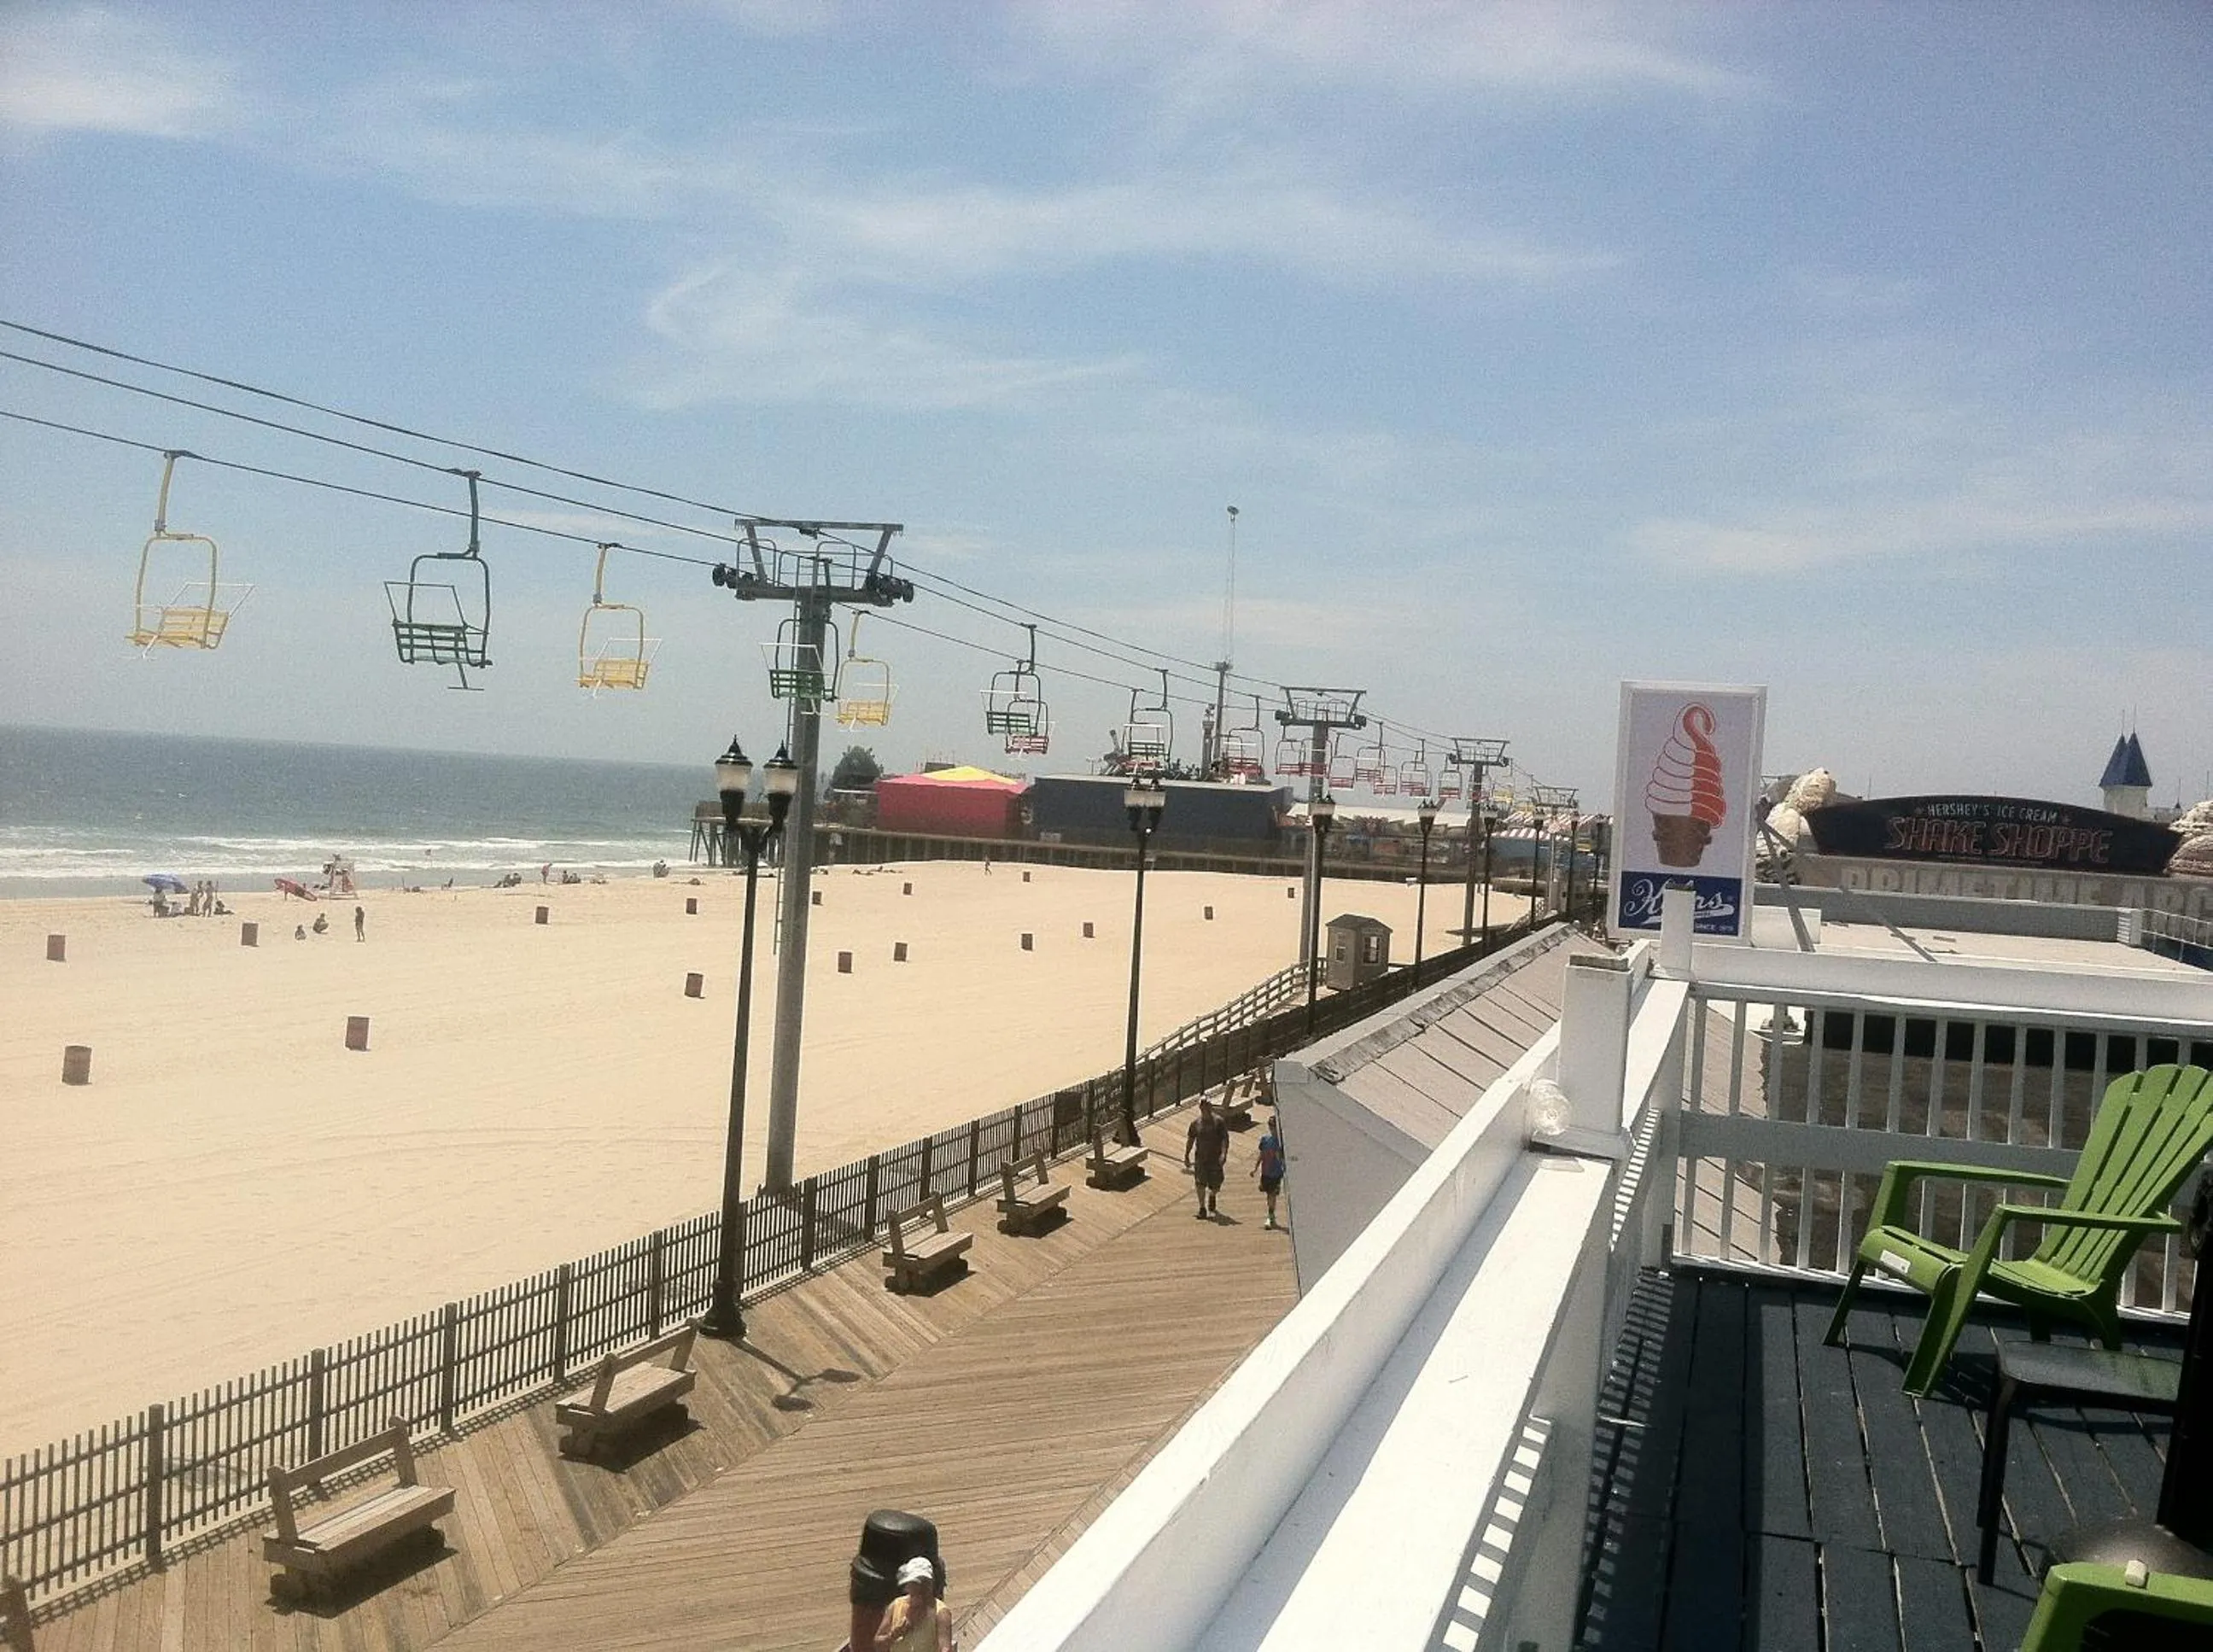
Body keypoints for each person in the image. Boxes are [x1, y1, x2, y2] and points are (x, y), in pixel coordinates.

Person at [872, 1556, 951, 1652]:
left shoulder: (941, 1612)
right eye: (916, 1582)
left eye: (925, 1582)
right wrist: (894, 1635)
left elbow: (945, 1648)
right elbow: (878, 1645)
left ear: (931, 1583)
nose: (921, 1587)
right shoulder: (896, 1606)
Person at [1184, 1097, 1229, 1219]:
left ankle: (1212, 1195)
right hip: (1201, 1159)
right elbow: (1191, 1139)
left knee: (1216, 1184)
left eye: (1207, 1105)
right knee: (1200, 1183)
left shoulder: (1219, 1122)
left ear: (1210, 1106)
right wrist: (1187, 1155)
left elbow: (1225, 1139)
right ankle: (1202, 1208)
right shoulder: (1195, 1124)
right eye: (1203, 1106)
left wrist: (1224, 1154)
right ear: (1200, 1108)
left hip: (1215, 1158)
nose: (1205, 1108)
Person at [1252, 1118, 1287, 1231]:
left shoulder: (1282, 1142)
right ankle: (1271, 1214)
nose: (1272, 1128)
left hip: (1276, 1173)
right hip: (1266, 1171)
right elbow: (1261, 1155)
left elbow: (1284, 1158)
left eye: (1274, 1125)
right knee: (1269, 1195)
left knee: (1272, 1194)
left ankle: (1270, 1216)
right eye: (1270, 1125)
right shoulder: (1265, 1140)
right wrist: (1255, 1168)